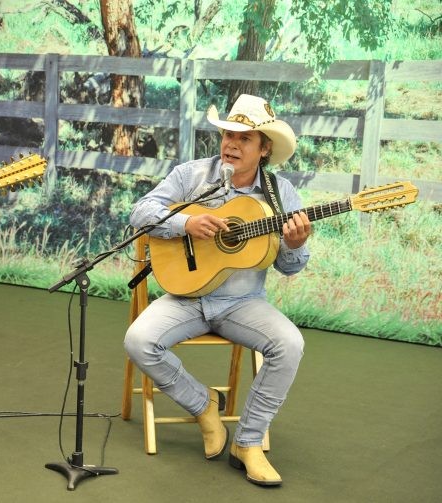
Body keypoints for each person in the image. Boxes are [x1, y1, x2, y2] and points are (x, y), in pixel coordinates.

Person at [124, 94, 311, 486]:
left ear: (264, 149)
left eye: (244, 138)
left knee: (289, 344)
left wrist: (294, 245)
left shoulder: (281, 195)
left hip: (242, 304)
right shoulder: (191, 174)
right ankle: (204, 404)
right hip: (185, 296)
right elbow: (140, 212)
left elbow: (291, 267)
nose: (231, 143)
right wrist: (185, 225)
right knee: (139, 340)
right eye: (228, 134)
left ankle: (248, 441)